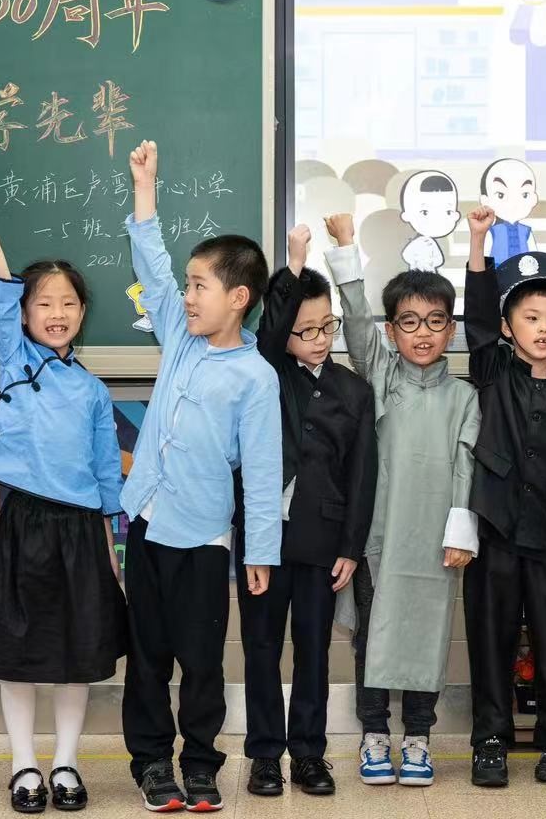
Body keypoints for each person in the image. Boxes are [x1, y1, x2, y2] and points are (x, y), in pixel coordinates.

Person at [120, 140, 283, 813]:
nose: (186, 296)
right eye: (187, 286)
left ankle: (200, 763)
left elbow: (264, 475)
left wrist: (260, 551)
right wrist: (146, 188)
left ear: (238, 298)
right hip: (147, 521)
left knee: (202, 661)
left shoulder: (256, 376)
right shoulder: (179, 335)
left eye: (199, 286)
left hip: (204, 537)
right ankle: (151, 762)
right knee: (147, 655)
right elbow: (150, 264)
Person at [0, 170, 127, 815]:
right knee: (19, 653)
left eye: (68, 304)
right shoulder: (15, 361)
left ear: (83, 312)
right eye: (43, 304)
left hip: (82, 530)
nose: (56, 314)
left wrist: (112, 547)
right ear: (25, 315)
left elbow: (107, 476)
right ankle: (24, 764)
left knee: (76, 653)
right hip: (24, 524)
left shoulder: (93, 390)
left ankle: (66, 763)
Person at [325, 211, 480, 789]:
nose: (422, 334)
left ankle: (418, 736)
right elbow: (355, 322)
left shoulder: (464, 397)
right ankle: (373, 733)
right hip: (379, 538)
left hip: (438, 540)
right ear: (391, 332)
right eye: (409, 323)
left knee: (428, 633)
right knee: (373, 635)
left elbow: (465, 467)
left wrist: (460, 534)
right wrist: (346, 246)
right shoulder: (381, 378)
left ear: (450, 330)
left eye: (435, 322)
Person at [240, 224, 378, 798]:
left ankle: (309, 755)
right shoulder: (267, 372)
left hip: (323, 541)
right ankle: (264, 755)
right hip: (265, 538)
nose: (319, 339)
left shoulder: (354, 390)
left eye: (327, 328)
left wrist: (351, 546)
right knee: (261, 647)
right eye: (307, 330)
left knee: (315, 651)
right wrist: (294, 264)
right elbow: (272, 326)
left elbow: (362, 475)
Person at [462, 205, 546, 788]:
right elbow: (477, 319)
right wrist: (477, 244)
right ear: (509, 327)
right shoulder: (492, 372)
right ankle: (490, 741)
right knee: (491, 642)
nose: (543, 329)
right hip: (496, 533)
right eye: (530, 317)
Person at [478, 157, 539, 266]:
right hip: (498, 271)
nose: (513, 202)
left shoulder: (526, 231)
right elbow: (484, 257)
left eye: (525, 194)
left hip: (523, 272)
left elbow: (535, 255)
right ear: (485, 200)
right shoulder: (492, 231)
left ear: (534, 198)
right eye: (500, 195)